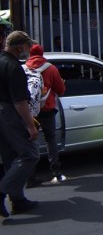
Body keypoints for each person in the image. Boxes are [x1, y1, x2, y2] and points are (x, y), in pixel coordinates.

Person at [0, 31, 40, 217]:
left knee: (9, 157)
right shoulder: (14, 67)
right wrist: (30, 125)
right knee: (29, 154)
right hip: (10, 113)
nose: (28, 49)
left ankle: (17, 200)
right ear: (19, 47)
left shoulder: (1, 60)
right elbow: (19, 102)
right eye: (27, 45)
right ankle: (2, 191)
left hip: (3, 113)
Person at [25, 44, 67, 184]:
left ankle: (30, 176)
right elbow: (60, 90)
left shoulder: (23, 68)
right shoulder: (51, 68)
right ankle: (56, 171)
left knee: (31, 141)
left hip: (30, 111)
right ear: (42, 53)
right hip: (46, 109)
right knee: (50, 139)